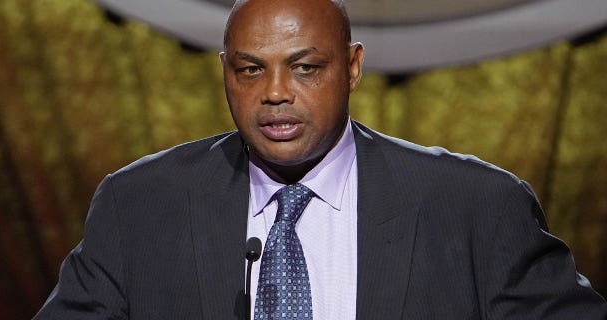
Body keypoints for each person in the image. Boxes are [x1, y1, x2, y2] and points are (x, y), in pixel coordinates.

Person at [34, 0, 607, 319]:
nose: (275, 92)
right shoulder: (140, 205)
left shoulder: (476, 206)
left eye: (305, 67)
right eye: (250, 68)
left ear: (353, 67)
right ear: (225, 72)